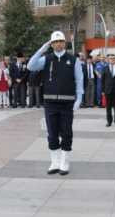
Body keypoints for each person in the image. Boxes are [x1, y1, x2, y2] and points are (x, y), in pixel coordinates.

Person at [28, 31, 83, 175]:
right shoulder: (46, 59)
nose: (58, 44)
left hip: (67, 103)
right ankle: (55, 161)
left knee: (66, 132)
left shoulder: (73, 59)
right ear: (51, 44)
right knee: (52, 133)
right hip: (50, 102)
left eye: (61, 41)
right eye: (55, 42)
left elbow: (79, 80)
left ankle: (64, 162)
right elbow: (30, 66)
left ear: (65, 43)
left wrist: (79, 99)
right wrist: (41, 50)